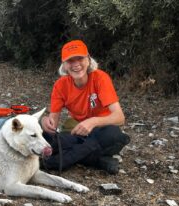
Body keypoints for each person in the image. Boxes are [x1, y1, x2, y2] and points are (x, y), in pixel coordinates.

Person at [41, 40, 130, 174]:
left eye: (80, 58)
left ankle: (54, 162)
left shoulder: (100, 78)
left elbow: (119, 117)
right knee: (48, 138)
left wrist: (93, 122)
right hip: (78, 131)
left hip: (101, 130)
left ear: (88, 60)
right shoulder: (60, 85)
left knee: (114, 135)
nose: (76, 64)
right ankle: (99, 161)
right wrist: (45, 122)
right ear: (64, 65)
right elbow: (53, 122)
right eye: (70, 61)